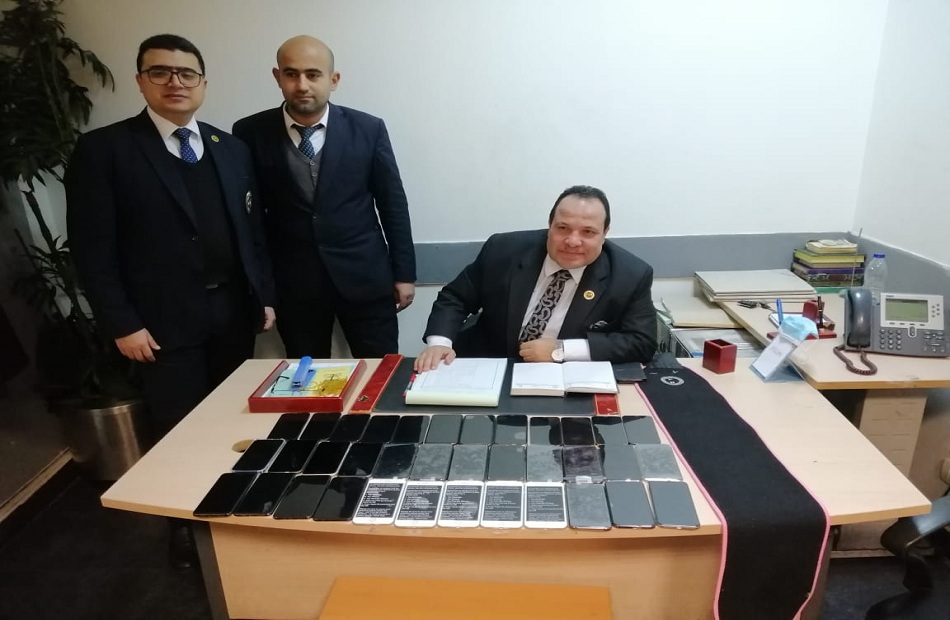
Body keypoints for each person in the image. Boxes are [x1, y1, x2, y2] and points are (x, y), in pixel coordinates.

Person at [65, 34, 276, 567]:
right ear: (141, 81)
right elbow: (92, 249)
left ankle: (232, 509)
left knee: (231, 420)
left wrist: (264, 297)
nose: (175, 82)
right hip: (159, 324)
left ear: (203, 83)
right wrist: (121, 322)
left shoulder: (230, 147)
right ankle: (185, 527)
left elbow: (251, 233)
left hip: (232, 313)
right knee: (178, 426)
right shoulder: (106, 150)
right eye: (160, 72)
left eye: (187, 73)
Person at [233, 35, 415, 359]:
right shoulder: (250, 132)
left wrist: (404, 273)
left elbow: (393, 205)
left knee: (381, 371)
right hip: (294, 285)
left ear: (333, 80)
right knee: (307, 376)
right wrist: (262, 288)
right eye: (291, 74)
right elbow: (251, 219)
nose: (302, 85)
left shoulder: (368, 128)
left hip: (366, 279)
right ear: (277, 77)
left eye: (313, 74)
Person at [415, 185, 656, 372]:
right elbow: (455, 298)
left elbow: (641, 342)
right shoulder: (504, 249)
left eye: (588, 232)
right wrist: (440, 343)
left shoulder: (631, 275)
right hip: (488, 365)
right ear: (550, 225)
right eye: (563, 228)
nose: (573, 241)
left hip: (563, 376)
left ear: (605, 233)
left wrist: (562, 350)